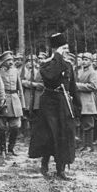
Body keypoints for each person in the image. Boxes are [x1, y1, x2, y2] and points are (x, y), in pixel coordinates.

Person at [28, 33, 81, 179]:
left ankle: (61, 169)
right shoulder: (46, 64)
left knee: (64, 135)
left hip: (63, 103)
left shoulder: (68, 65)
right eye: (63, 48)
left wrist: (77, 106)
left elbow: (72, 87)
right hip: (49, 104)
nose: (65, 51)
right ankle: (44, 165)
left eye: (66, 48)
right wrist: (56, 55)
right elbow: (51, 76)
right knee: (48, 135)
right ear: (56, 49)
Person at [0, 51, 25, 163]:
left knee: (15, 126)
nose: (10, 62)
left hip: (14, 100)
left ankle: (11, 148)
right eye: (8, 60)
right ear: (3, 62)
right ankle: (2, 149)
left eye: (11, 60)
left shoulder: (15, 71)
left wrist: (22, 104)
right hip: (3, 100)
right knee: (2, 128)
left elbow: (20, 88)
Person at [75, 52, 97, 152]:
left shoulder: (93, 72)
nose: (84, 62)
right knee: (83, 124)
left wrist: (78, 85)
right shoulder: (80, 71)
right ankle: (85, 144)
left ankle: (89, 145)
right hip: (80, 100)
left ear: (91, 61)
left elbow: (93, 86)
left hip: (88, 101)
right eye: (83, 59)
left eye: (87, 60)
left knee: (88, 124)